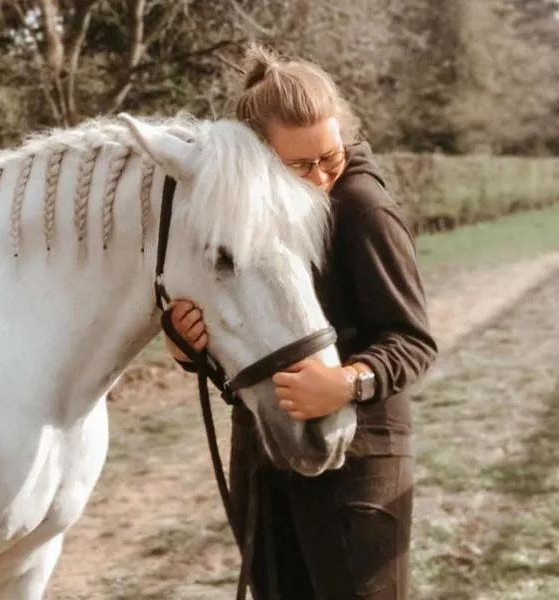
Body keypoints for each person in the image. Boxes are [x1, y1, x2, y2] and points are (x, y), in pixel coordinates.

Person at [165, 43, 438, 599]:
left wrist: (346, 383)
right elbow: (243, 327)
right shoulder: (249, 217)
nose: (319, 178)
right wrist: (187, 343)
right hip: (265, 449)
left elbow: (413, 339)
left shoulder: (362, 208)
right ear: (259, 156)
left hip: (362, 457)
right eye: (299, 165)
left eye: (330, 157)